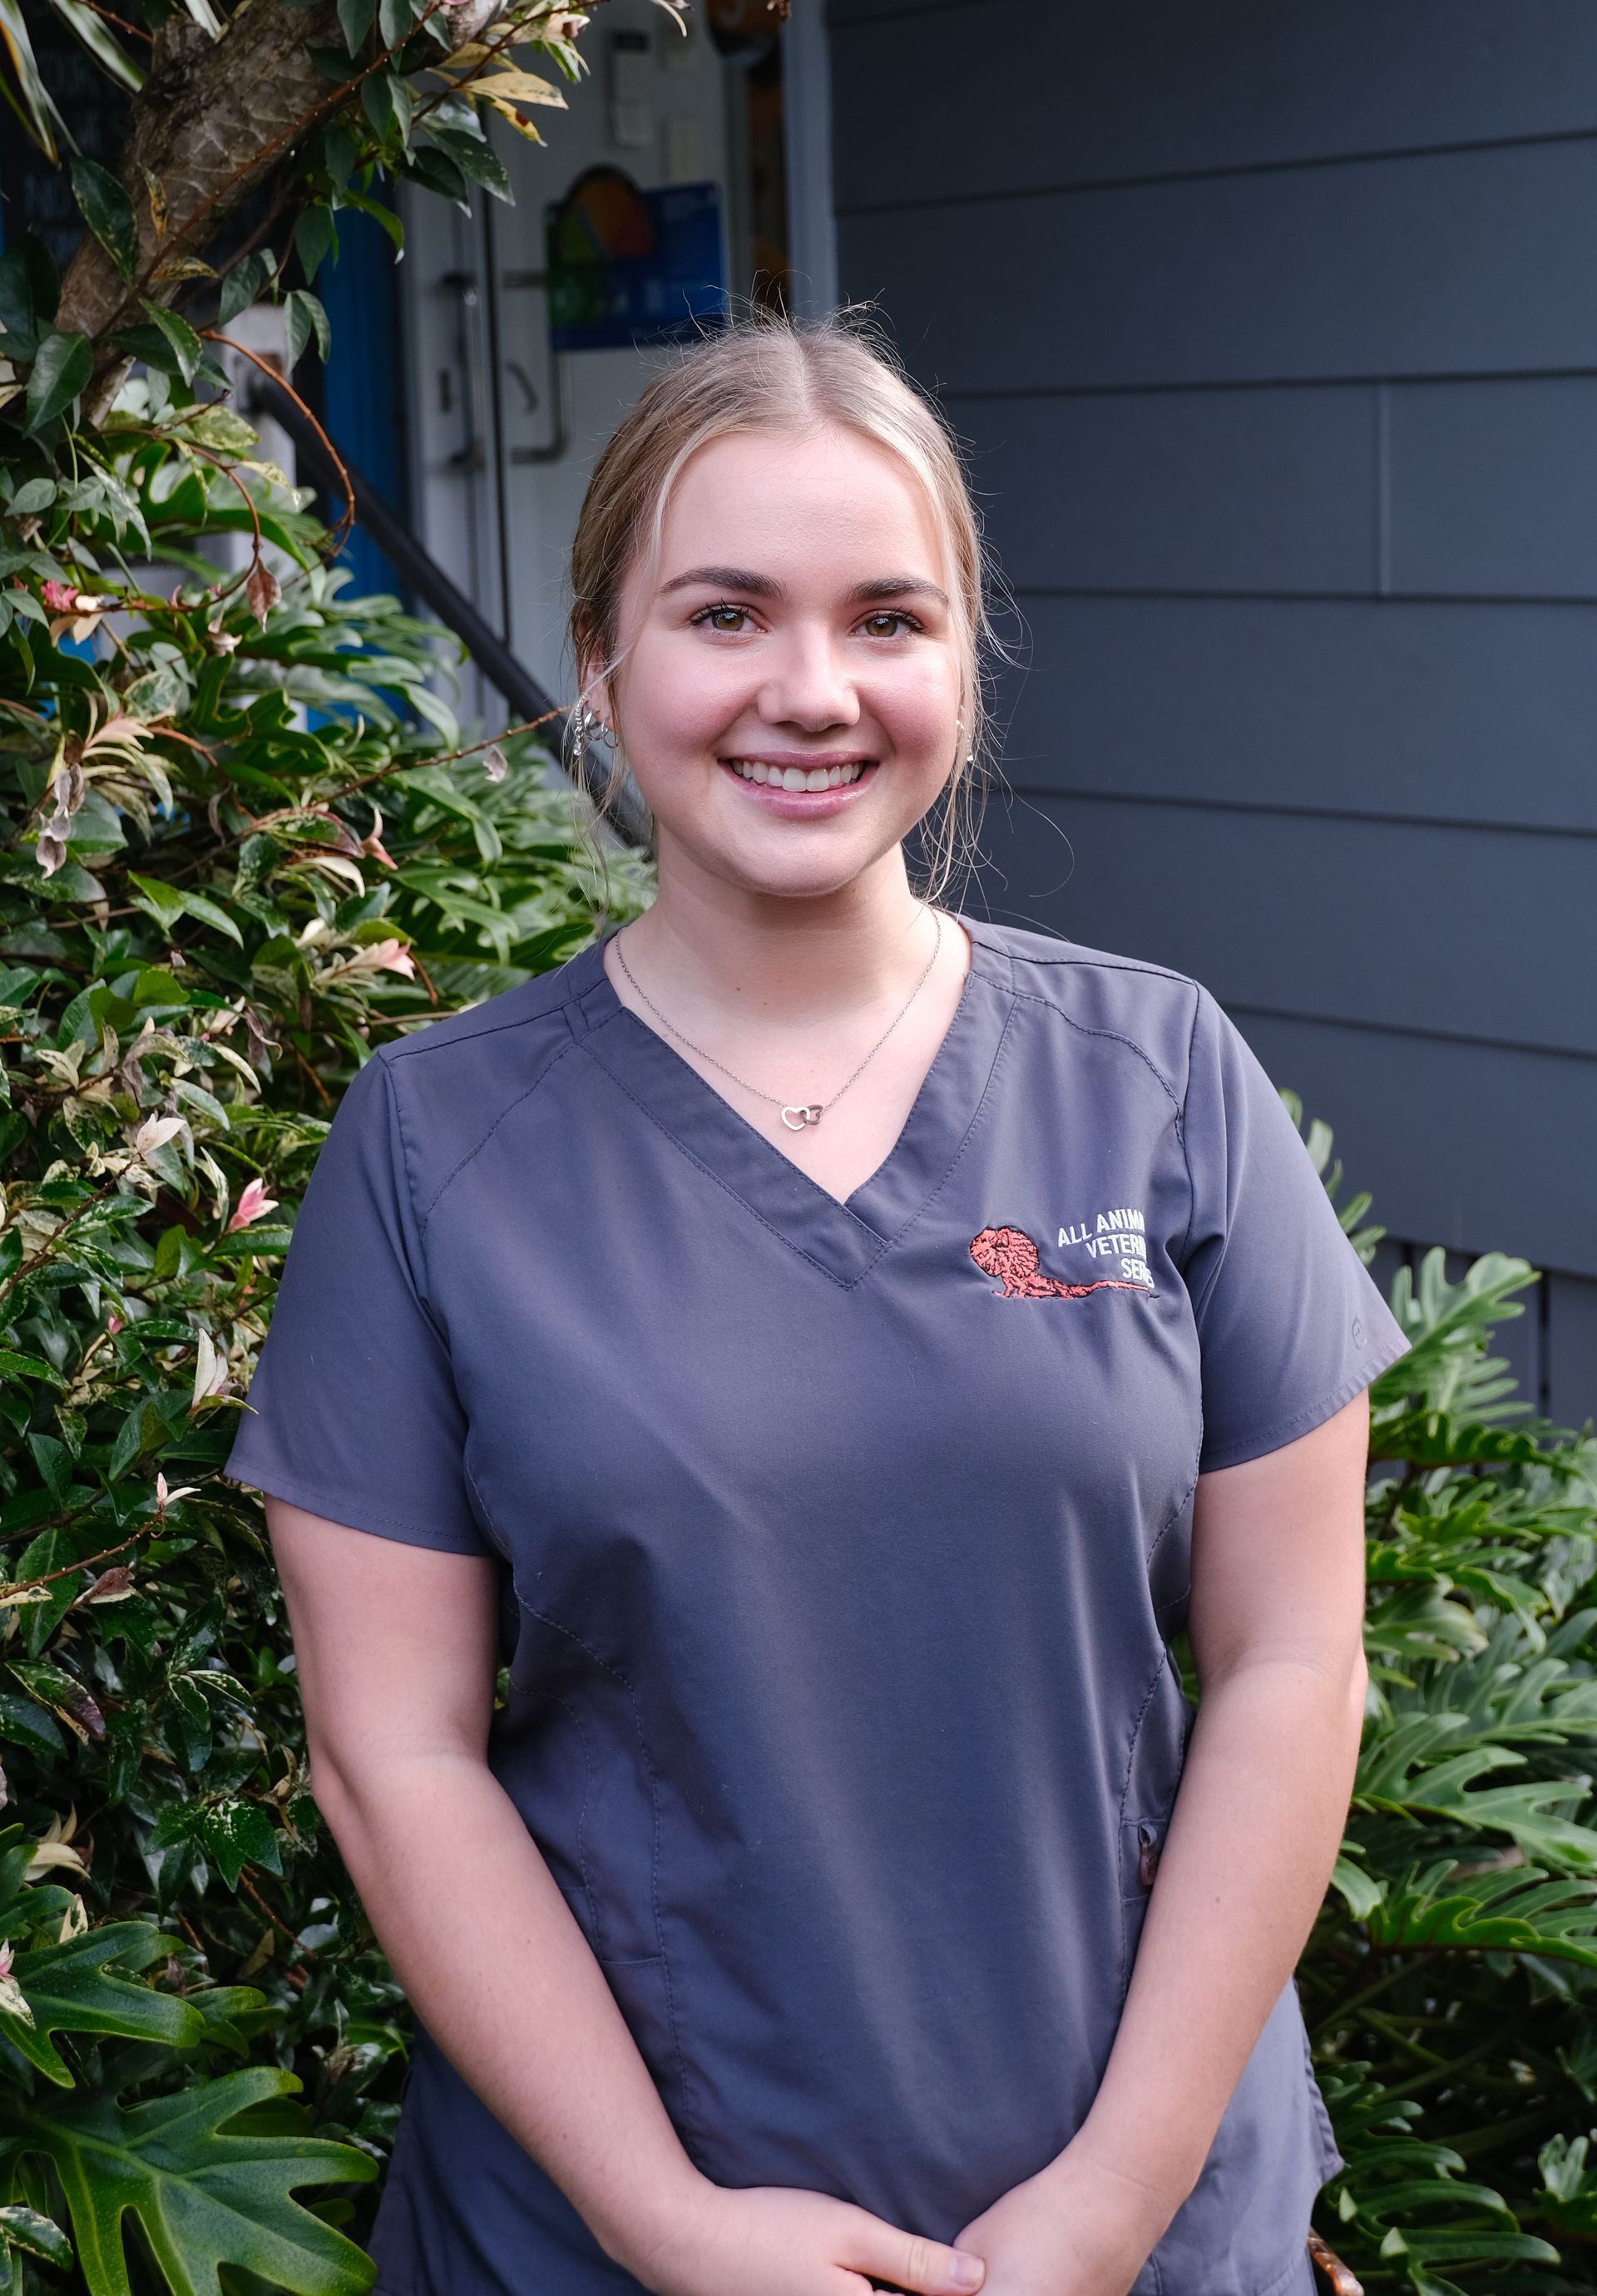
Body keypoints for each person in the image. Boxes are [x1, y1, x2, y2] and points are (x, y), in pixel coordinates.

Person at [224, 316, 1407, 2296]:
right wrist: (664, 2219)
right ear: (602, 659)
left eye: (887, 617)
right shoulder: (432, 1147)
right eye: (724, 613)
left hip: (1146, 2211)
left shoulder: (1162, 1075)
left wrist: (1119, 2197)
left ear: (960, 662)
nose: (811, 689)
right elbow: (393, 1752)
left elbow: (1294, 1658)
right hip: (613, 2228)